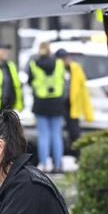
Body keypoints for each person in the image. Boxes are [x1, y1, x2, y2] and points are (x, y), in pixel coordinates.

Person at [27, 42, 68, 172]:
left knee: (43, 135)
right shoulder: (60, 64)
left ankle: (44, 165)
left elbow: (30, 82)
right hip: (56, 103)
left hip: (40, 103)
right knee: (56, 135)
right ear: (50, 51)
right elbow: (63, 81)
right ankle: (58, 165)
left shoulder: (33, 65)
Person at [59, 48, 94, 153]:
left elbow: (83, 91)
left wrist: (88, 113)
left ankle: (77, 154)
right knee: (58, 133)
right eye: (62, 58)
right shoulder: (56, 69)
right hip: (60, 105)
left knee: (74, 132)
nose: (65, 60)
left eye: (66, 58)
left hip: (73, 106)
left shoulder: (76, 69)